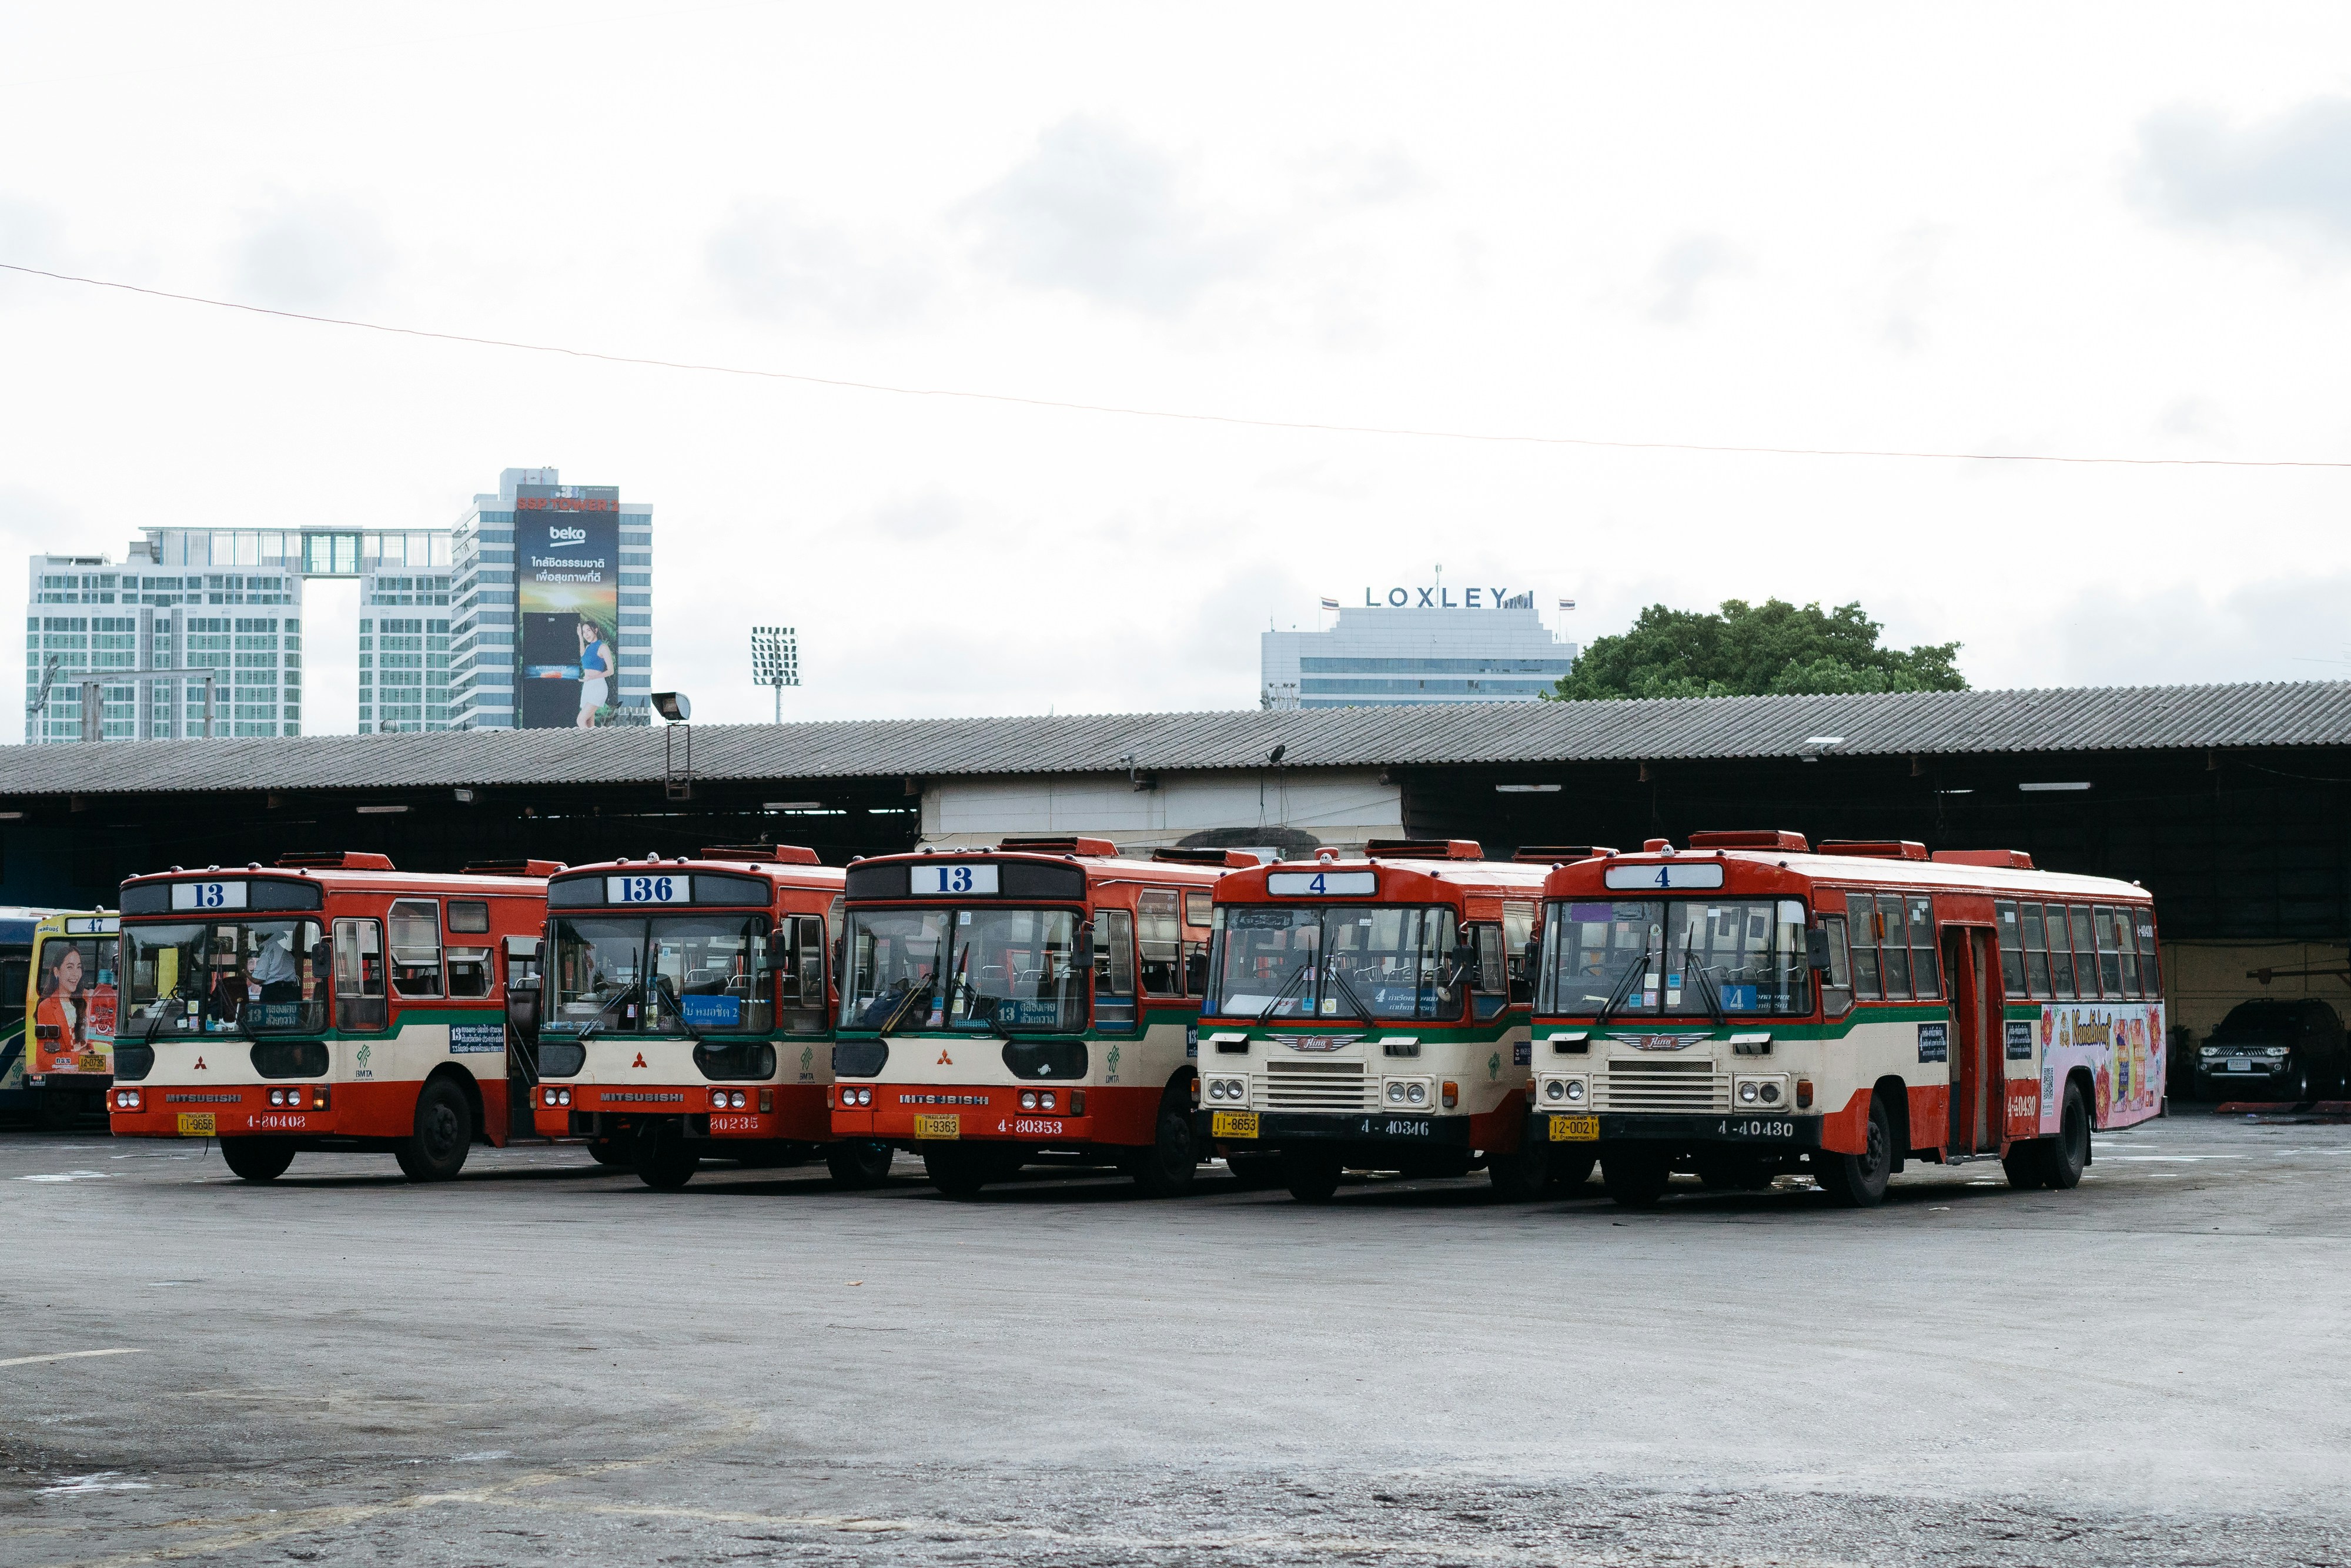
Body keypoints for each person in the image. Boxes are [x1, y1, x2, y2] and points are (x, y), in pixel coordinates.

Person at [33, 944, 83, 1073]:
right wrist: (83, 1058)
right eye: (69, 967)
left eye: (79, 967)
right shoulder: (47, 1007)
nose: (75, 974)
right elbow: (44, 1060)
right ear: (57, 972)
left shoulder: (84, 1003)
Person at [575, 618, 613, 728]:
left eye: (589, 631)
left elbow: (611, 671)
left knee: (581, 719)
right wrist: (580, 637)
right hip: (588, 687)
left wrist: (592, 678)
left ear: (595, 630)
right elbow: (583, 655)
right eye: (584, 632)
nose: (586, 634)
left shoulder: (603, 647)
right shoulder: (588, 647)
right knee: (588, 724)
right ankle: (592, 744)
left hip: (598, 687)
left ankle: (589, 744)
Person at [251, 931, 302, 1004]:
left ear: (265, 940)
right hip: (289, 991)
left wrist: (245, 972)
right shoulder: (287, 954)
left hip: (271, 992)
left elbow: (258, 980)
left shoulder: (267, 954)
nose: (257, 944)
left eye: (258, 940)